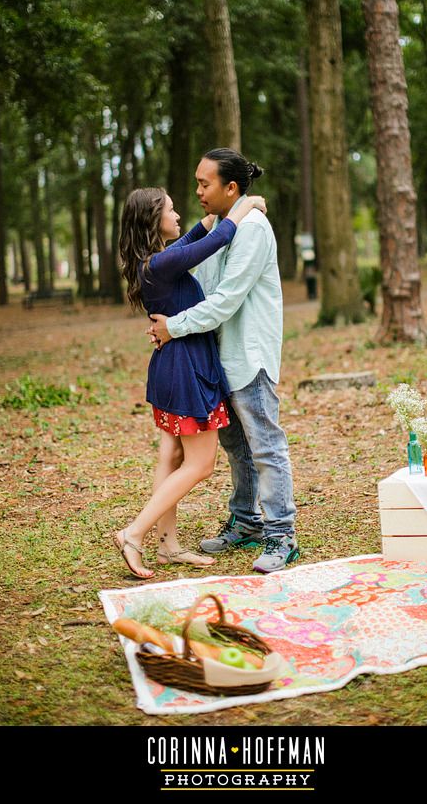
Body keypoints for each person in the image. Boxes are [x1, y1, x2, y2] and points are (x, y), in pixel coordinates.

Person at [148, 148, 299, 574]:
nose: (197, 191)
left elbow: (226, 300)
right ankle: (247, 521)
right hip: (216, 356)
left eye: (204, 183)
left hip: (248, 355)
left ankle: (281, 535)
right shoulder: (220, 226)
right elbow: (199, 278)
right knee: (237, 448)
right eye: (197, 182)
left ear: (230, 187)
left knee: (265, 444)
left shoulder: (252, 229)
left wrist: (173, 326)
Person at [113, 185, 267, 579]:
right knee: (200, 464)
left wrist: (212, 215)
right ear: (153, 219)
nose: (179, 213)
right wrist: (245, 205)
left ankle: (169, 547)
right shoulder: (162, 265)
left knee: (173, 456)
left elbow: (192, 238)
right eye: (171, 208)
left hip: (169, 365)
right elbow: (214, 241)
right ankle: (133, 534)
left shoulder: (153, 261)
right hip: (185, 368)